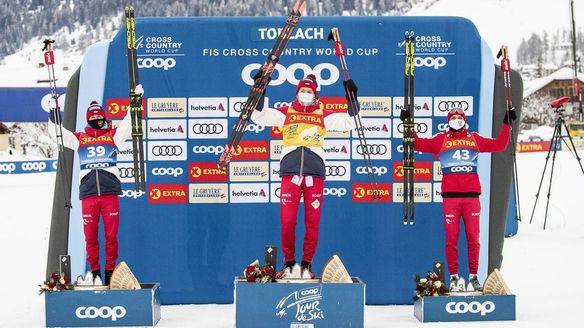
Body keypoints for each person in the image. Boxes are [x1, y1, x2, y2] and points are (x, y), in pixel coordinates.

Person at [251, 74, 359, 279]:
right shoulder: (286, 112)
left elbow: (350, 122)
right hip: (290, 173)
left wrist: (352, 97)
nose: (305, 94)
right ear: (297, 93)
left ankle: (307, 265)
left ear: (315, 94)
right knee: (288, 221)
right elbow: (259, 116)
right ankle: (290, 264)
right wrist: (261, 90)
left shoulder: (323, 114)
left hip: (314, 173)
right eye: (303, 91)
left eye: (309, 91)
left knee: (312, 222)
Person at [400, 106, 516, 291]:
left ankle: (473, 277)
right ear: (448, 120)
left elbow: (500, 145)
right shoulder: (441, 139)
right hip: (451, 198)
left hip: (471, 198)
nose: (456, 120)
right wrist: (408, 124)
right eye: (453, 117)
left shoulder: (474, 138)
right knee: (451, 238)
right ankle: (454, 277)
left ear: (464, 120)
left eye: (459, 117)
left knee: (473, 238)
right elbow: (418, 144)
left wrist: (506, 123)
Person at [48, 85, 142, 285]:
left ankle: (109, 272)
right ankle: (95, 273)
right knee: (90, 237)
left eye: (100, 118)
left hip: (109, 195)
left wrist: (135, 102)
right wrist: (53, 111)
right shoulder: (79, 139)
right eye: (93, 119)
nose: (97, 122)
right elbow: (57, 134)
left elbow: (129, 123)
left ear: (104, 118)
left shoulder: (113, 136)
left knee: (111, 237)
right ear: (88, 120)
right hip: (89, 195)